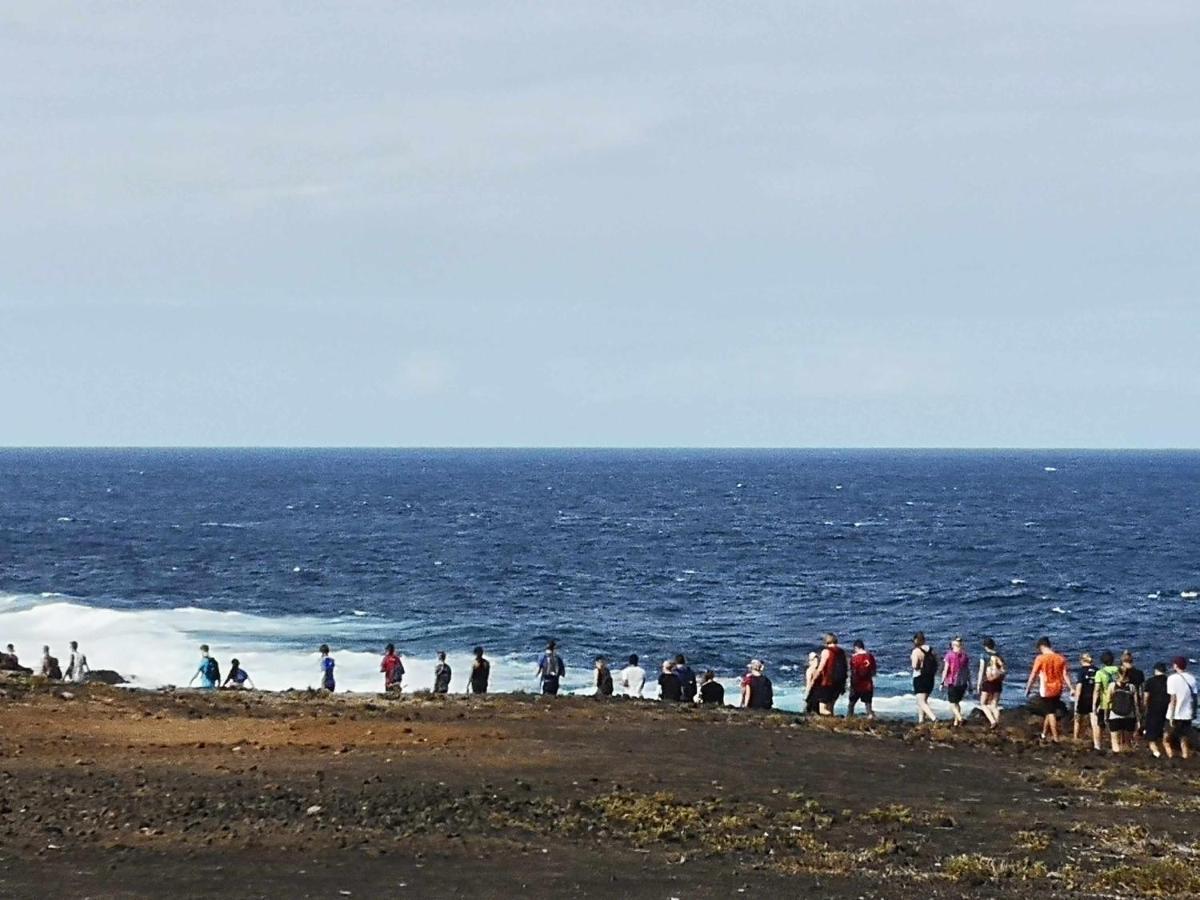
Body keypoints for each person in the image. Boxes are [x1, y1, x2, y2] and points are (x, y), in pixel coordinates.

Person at [1024, 637, 1072, 742]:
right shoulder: (1061, 658)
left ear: (1041, 646)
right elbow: (1065, 675)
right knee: (1050, 710)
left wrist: (1028, 688)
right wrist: (1071, 688)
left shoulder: (1040, 658)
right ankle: (1044, 734)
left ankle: (1055, 738)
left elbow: (1033, 674)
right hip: (1058, 688)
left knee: (1050, 713)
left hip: (1046, 689)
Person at [1165, 656, 1196, 760]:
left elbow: (1173, 699)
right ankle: (1185, 756)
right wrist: (1193, 713)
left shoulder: (1172, 678)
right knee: (1183, 738)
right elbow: (1194, 697)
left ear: (1175, 665)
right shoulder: (1192, 678)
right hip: (1187, 713)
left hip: (1175, 714)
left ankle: (1171, 756)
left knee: (1167, 738)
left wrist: (1171, 716)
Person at [812, 633, 848, 716]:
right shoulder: (841, 652)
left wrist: (814, 677)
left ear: (826, 641)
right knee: (831, 707)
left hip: (827, 682)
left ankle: (837, 720)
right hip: (839, 683)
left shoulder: (827, 651)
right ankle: (831, 723)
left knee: (822, 709)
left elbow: (821, 667)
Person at [1105, 666, 1139, 753]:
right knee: (1128, 741)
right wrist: (1138, 719)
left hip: (1115, 715)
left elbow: (1108, 702)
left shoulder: (1112, 685)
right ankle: (1128, 757)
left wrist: (1106, 716)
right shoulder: (1132, 687)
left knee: (1114, 740)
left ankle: (1117, 757)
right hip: (1129, 715)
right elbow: (1135, 704)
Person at [1072, 652, 1101, 751]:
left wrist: (1076, 702)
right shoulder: (1097, 670)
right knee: (1094, 722)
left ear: (1081, 661)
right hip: (1094, 698)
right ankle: (1097, 745)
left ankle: (1076, 739)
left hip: (1083, 698)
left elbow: (1079, 687)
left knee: (1077, 719)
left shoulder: (1081, 671)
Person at [976, 638, 1006, 729]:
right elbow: (1003, 669)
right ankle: (997, 721)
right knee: (994, 704)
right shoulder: (999, 656)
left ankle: (992, 721)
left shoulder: (984, 656)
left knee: (983, 703)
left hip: (987, 681)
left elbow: (981, 670)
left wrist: (978, 683)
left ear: (985, 646)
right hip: (997, 681)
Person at [940, 637, 971, 727]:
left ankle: (960, 719)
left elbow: (945, 670)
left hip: (953, 682)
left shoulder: (949, 655)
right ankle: (956, 722)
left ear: (953, 645)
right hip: (963, 683)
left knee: (952, 704)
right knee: (957, 702)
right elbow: (967, 671)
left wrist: (942, 682)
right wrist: (970, 684)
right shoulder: (965, 656)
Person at [1143, 662, 1171, 758]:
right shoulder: (1169, 681)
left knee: (1151, 735)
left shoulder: (1150, 681)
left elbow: (1146, 697)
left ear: (1155, 670)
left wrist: (1145, 707)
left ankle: (1156, 752)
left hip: (1154, 709)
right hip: (1167, 709)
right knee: (1164, 731)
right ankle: (1167, 751)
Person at [911, 633, 938, 724]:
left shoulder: (916, 651)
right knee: (923, 700)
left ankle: (934, 718)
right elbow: (937, 662)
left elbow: (915, 666)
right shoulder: (931, 650)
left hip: (920, 677)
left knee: (921, 701)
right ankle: (921, 720)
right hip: (930, 677)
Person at [848, 639, 877, 719]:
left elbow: (853, 671)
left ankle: (850, 718)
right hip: (867, 684)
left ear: (856, 647)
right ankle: (870, 717)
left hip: (856, 684)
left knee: (851, 704)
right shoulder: (870, 656)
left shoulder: (854, 658)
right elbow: (874, 671)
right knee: (868, 704)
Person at [1093, 650, 1121, 731]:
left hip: (1104, 703)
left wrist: (1094, 705)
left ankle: (1099, 743)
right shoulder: (1118, 670)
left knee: (1101, 725)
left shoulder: (1099, 673)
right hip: (1118, 701)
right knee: (1119, 726)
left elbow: (1097, 690)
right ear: (1113, 660)